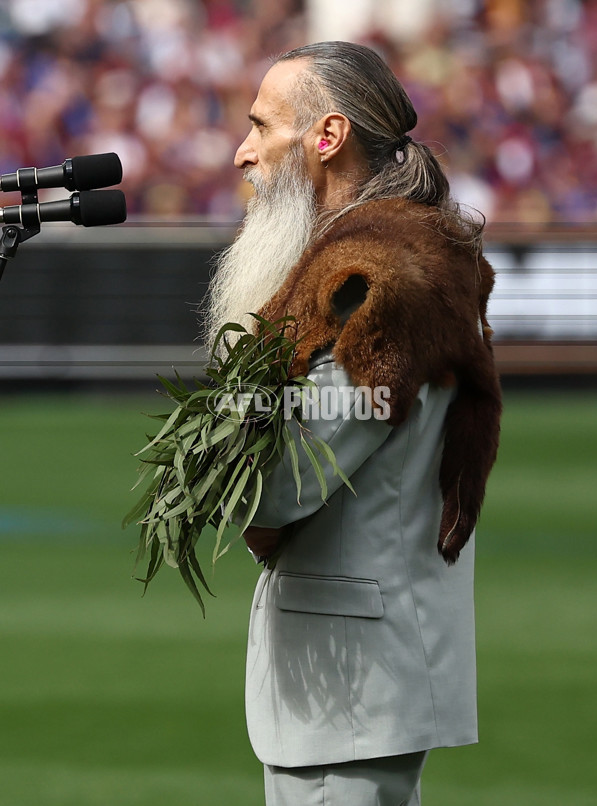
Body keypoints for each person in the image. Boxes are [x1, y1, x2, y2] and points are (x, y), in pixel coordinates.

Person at [205, 41, 502, 806]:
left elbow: (282, 481)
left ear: (327, 137)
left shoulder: (381, 276)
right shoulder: (389, 256)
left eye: (260, 126)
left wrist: (222, 428)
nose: (243, 152)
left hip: (353, 690)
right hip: (356, 684)